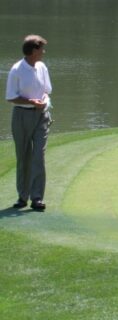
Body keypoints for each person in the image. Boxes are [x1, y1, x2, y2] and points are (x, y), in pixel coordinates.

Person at [6, 35, 52, 211]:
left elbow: (47, 90)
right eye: (41, 49)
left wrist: (43, 102)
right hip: (22, 117)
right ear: (34, 50)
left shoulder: (41, 67)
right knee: (24, 156)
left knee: (38, 156)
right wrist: (32, 102)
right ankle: (22, 197)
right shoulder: (17, 70)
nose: (43, 52)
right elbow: (11, 97)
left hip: (42, 115)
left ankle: (37, 198)